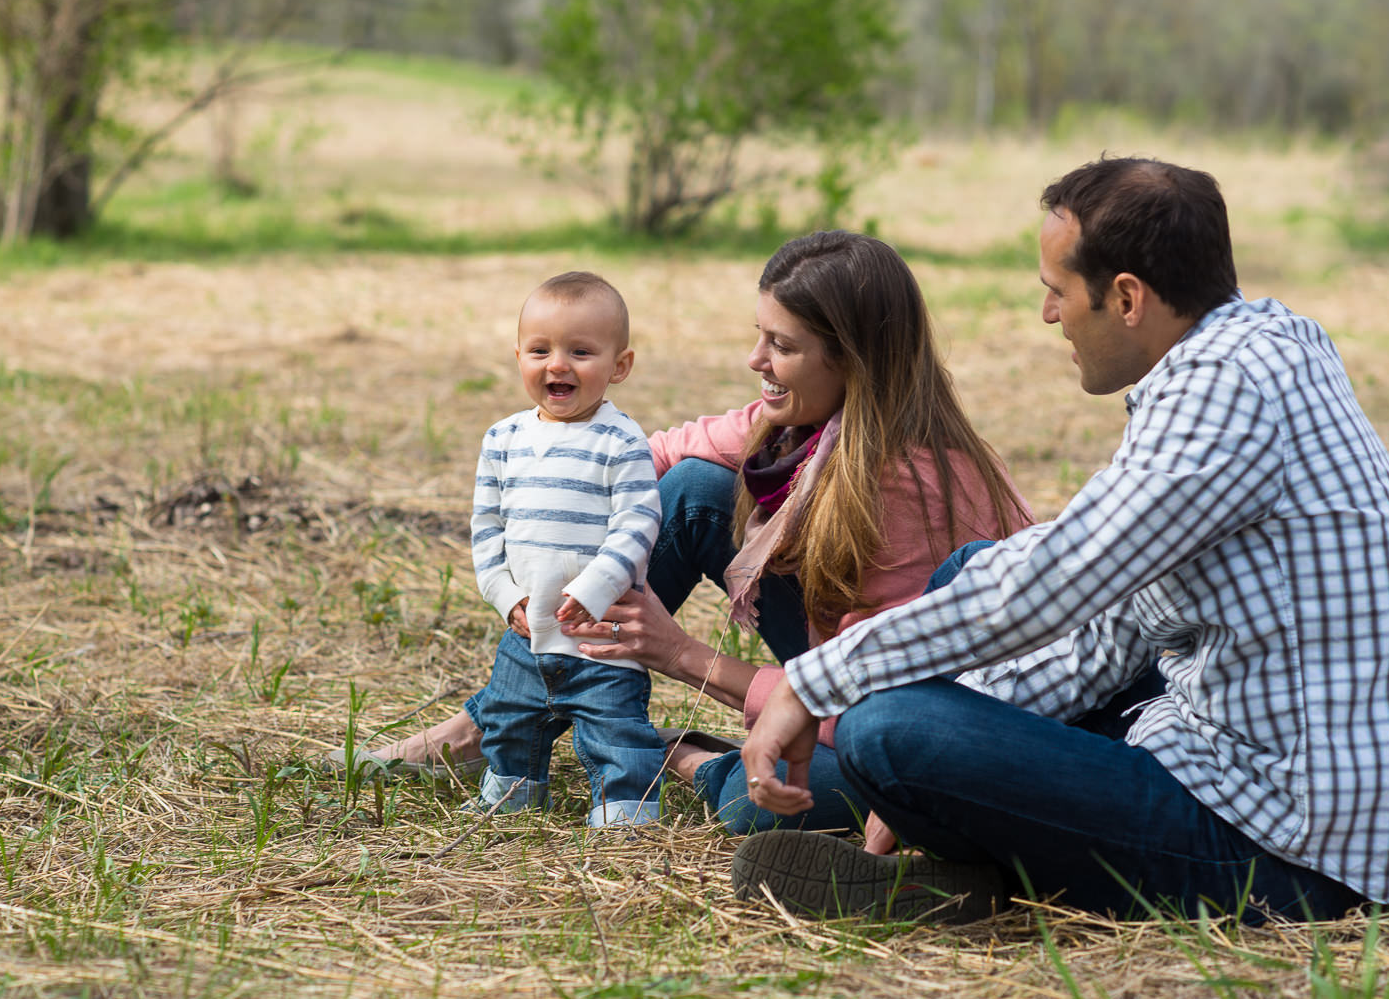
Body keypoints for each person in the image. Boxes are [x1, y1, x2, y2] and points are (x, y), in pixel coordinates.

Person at [734, 157, 1389, 924]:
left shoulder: (1230, 396)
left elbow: (1052, 587)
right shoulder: (1252, 353)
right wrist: (955, 738)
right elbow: (1103, 630)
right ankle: (974, 866)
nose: (1048, 314)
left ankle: (989, 869)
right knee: (964, 601)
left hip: (1295, 858)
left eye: (1057, 291)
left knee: (886, 729)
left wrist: (817, 685)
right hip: (1232, 769)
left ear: (1127, 297)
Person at [342, 232, 1032, 833]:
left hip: (933, 712)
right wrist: (556, 490)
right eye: (761, 334)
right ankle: (493, 722)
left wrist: (684, 656)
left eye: (782, 345)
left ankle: (679, 754)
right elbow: (659, 458)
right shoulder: (804, 426)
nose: (755, 360)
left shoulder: (907, 488)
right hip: (841, 661)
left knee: (756, 805)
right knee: (691, 491)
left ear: (851, 360)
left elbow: (875, 711)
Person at [464, 271, 665, 827]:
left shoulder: (620, 440)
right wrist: (505, 597)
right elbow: (486, 529)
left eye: (581, 351)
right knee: (508, 719)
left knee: (617, 726)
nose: (558, 364)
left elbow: (639, 521)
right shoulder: (503, 439)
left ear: (619, 366)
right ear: (518, 357)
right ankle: (514, 793)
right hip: (526, 633)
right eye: (540, 350)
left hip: (600, 636)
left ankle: (626, 811)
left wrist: (596, 589)